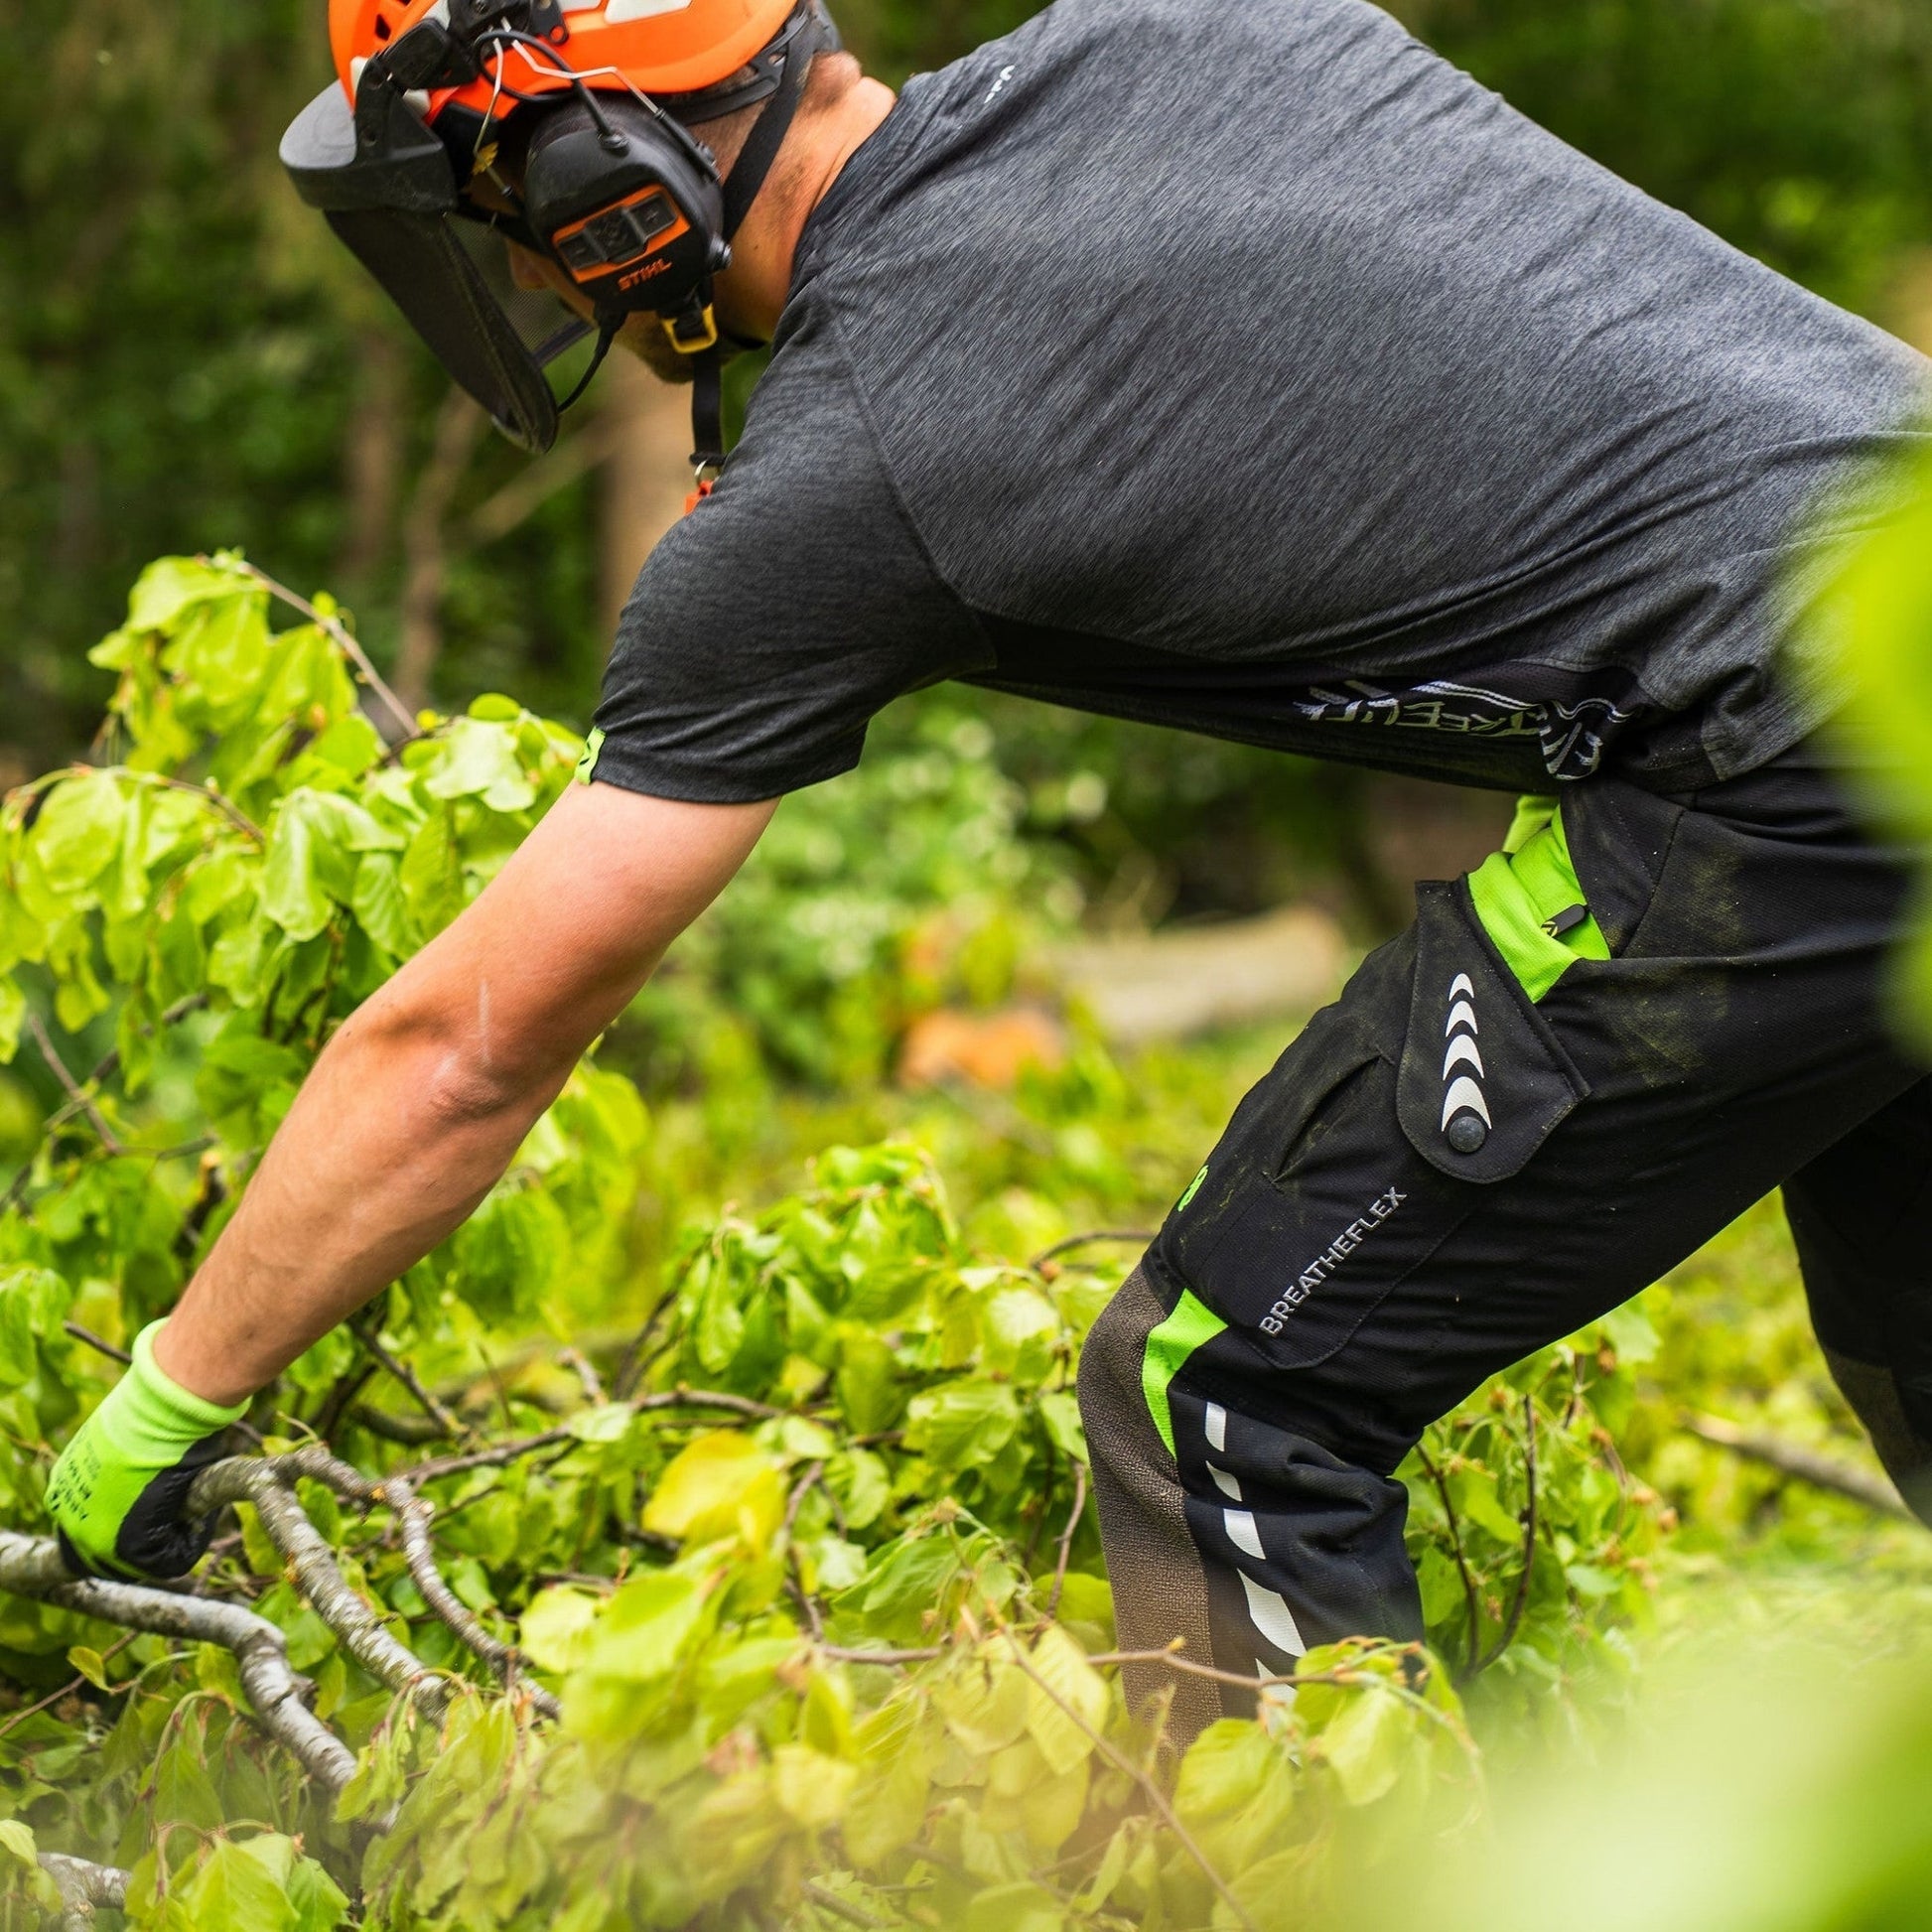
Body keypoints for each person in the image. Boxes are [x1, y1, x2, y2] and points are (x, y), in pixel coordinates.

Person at [45, 0, 1932, 1743]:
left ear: (597, 177)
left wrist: (161, 1407)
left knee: (1224, 1394)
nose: (537, 278)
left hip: (1780, 762)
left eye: (508, 219)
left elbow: (467, 1046)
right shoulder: (1168, 34)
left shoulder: (866, 457)